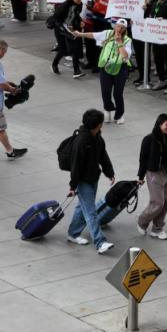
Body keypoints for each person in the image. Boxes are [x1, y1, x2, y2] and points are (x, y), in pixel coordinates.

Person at [66, 109, 115, 254]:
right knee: (90, 212)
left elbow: (103, 156)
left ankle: (73, 233)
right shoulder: (81, 141)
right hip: (83, 181)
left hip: (93, 178)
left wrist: (109, 173)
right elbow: (76, 166)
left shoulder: (97, 138)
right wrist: (73, 186)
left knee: (82, 208)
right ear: (98, 124)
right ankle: (100, 243)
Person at [73, 19, 133, 124]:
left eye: (122, 28)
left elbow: (125, 55)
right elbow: (94, 35)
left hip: (120, 68)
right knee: (105, 91)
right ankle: (107, 110)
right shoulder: (108, 33)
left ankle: (119, 115)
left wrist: (119, 42)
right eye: (118, 26)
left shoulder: (127, 40)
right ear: (115, 26)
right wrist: (80, 34)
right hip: (105, 67)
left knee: (118, 94)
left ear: (125, 29)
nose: (119, 29)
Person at [137, 113, 167, 240]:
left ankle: (157, 229)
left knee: (166, 202)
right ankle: (142, 221)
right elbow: (143, 159)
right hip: (153, 172)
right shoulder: (149, 139)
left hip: (166, 172)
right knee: (158, 202)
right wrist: (140, 176)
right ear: (159, 124)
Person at [0, 40, 28, 160]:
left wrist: (7, 83)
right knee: (0, 128)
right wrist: (12, 89)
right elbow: (0, 84)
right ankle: (10, 152)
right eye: (4, 52)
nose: (4, 55)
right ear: (0, 50)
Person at [52, 0, 86, 78]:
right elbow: (56, 19)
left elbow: (76, 15)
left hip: (70, 29)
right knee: (63, 50)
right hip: (60, 29)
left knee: (75, 48)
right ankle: (54, 64)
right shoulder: (64, 6)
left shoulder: (79, 5)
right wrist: (65, 26)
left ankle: (76, 71)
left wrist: (80, 21)